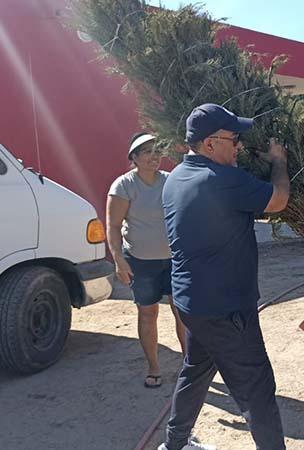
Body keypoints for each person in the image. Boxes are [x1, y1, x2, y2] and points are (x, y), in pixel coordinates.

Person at [159, 104, 290, 450]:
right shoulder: (220, 179)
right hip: (227, 311)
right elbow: (278, 200)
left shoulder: (175, 178)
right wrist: (278, 160)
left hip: (191, 303)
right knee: (257, 393)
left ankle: (175, 444)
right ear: (210, 143)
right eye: (234, 139)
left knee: (196, 370)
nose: (239, 147)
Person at [106, 132, 187, 389]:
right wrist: (119, 260)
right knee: (148, 312)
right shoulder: (124, 186)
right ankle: (153, 366)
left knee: (183, 312)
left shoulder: (170, 181)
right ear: (135, 158)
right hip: (141, 261)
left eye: (157, 150)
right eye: (147, 152)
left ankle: (190, 364)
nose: (155, 156)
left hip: (174, 259)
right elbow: (113, 226)